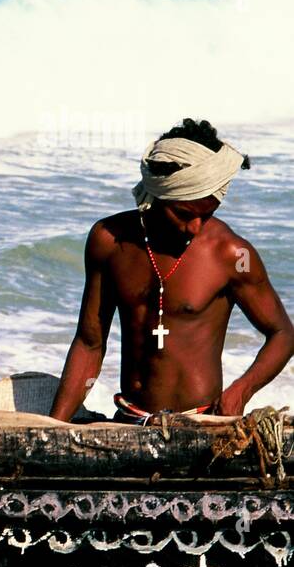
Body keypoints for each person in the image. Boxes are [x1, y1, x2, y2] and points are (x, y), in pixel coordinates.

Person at [50, 118, 294, 423]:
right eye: (183, 213)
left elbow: (283, 333)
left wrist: (240, 392)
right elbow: (89, 343)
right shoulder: (109, 241)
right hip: (129, 419)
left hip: (201, 423)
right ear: (158, 195)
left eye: (207, 215)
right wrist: (55, 425)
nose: (194, 227)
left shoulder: (231, 254)